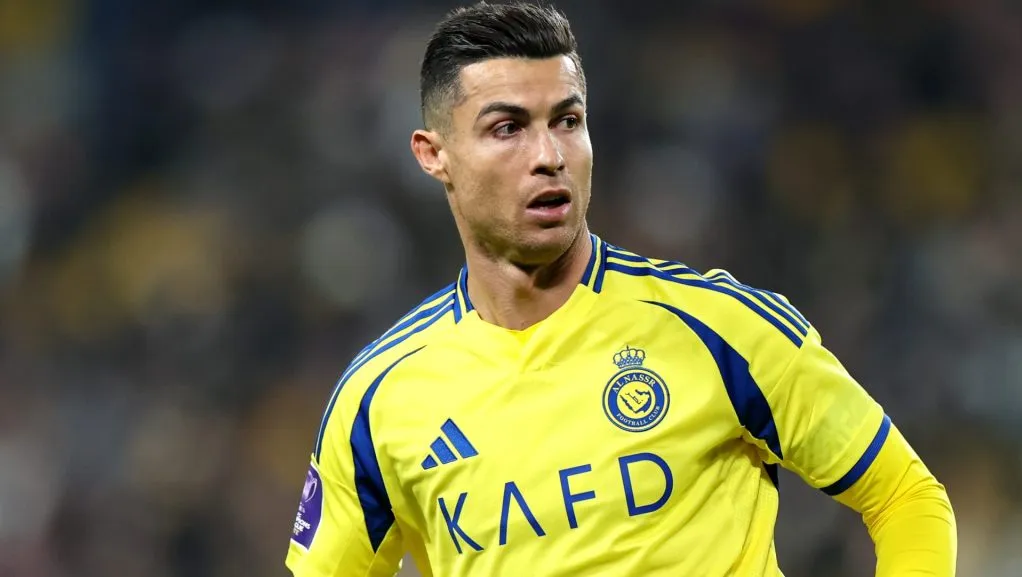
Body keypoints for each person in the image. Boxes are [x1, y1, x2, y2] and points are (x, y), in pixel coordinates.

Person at [284, 2, 957, 575]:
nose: (548, 154)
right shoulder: (378, 400)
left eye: (567, 121)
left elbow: (905, 497)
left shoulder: (719, 327)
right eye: (508, 127)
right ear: (434, 155)